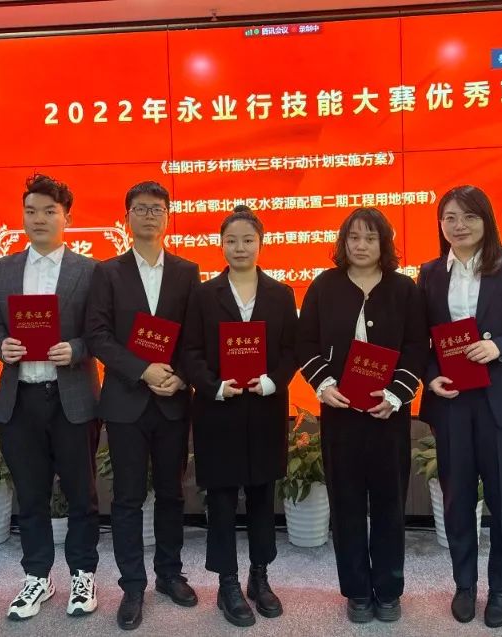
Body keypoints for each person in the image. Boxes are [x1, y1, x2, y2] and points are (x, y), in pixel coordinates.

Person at [295, 207, 428, 624]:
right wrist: (322, 385)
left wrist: (396, 393)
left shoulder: (404, 289)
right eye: (354, 237)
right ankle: (355, 590)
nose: (361, 245)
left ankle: (388, 590)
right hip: (340, 414)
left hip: (389, 414)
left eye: (370, 238)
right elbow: (304, 343)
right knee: (347, 504)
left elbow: (417, 346)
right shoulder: (324, 286)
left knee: (389, 504)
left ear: (384, 243)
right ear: (343, 242)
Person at [419, 185, 502, 628]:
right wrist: (431, 375)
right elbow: (420, 337)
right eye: (450, 217)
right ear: (440, 224)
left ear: (486, 220)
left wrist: (499, 348)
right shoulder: (430, 273)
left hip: (498, 398)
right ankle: (465, 584)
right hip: (452, 398)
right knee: (457, 498)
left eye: (469, 216)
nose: (459, 226)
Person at [0, 174, 101, 620]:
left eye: (50, 211)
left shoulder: (90, 270)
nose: (39, 219)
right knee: (30, 496)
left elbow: (101, 331)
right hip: (20, 399)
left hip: (72, 398)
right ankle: (37, 577)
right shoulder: (2, 269)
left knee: (81, 494)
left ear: (67, 217)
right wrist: (1, 345)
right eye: (31, 211)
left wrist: (78, 349)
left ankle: (83, 574)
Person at [84, 181, 199, 631]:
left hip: (173, 399)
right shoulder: (107, 272)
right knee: (128, 498)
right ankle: (132, 584)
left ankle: (169, 574)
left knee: (172, 493)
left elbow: (195, 336)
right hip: (126, 401)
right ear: (127, 216)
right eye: (141, 208)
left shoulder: (187, 271)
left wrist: (181, 376)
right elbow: (98, 336)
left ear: (167, 217)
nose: (149, 215)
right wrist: (143, 370)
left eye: (157, 209)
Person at [181, 206, 298, 627]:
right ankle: (227, 583)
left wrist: (272, 382)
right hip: (218, 411)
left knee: (263, 497)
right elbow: (189, 351)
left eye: (248, 239)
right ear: (221, 245)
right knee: (223, 501)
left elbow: (292, 349)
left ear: (260, 243)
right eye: (231, 240)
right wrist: (213, 385)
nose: (240, 247)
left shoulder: (281, 294)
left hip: (265, 409)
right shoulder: (203, 295)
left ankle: (259, 577)